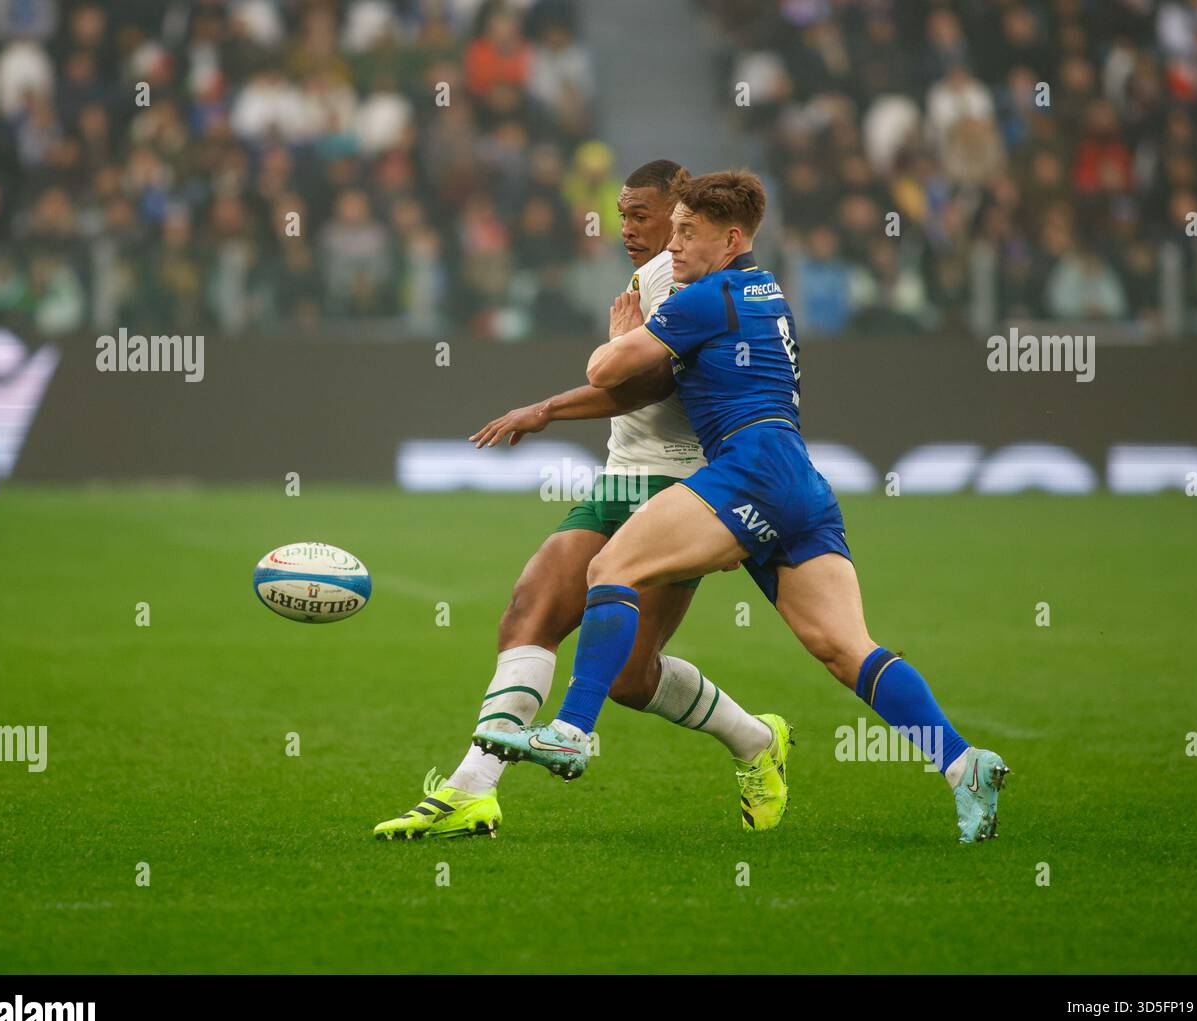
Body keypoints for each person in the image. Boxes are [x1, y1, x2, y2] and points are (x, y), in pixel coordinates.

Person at [474, 170, 1009, 844]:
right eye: (672, 232)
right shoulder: (765, 288)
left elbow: (607, 373)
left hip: (748, 469)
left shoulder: (711, 295)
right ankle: (965, 765)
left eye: (687, 233)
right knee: (846, 649)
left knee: (612, 566)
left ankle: (572, 732)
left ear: (731, 239)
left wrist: (621, 335)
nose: (673, 247)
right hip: (799, 480)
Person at [374, 161, 790, 841]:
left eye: (642, 216)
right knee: (528, 611)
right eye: (622, 214)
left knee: (631, 678)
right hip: (620, 478)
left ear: (682, 215)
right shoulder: (658, 275)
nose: (626, 228)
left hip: (681, 487)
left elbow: (647, 385)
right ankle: (470, 789)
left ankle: (754, 741)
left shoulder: (687, 280)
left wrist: (546, 407)